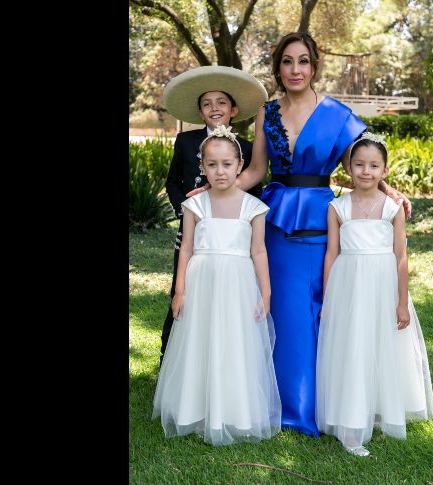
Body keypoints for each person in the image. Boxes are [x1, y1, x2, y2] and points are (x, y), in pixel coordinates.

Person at [187, 32, 411, 437]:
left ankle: (322, 403)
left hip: (323, 221)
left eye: (303, 61)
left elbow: (360, 167)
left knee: (322, 309)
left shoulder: (338, 115)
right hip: (275, 220)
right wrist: (213, 188)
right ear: (278, 68)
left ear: (314, 66)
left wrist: (391, 191)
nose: (295, 70)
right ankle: (278, 402)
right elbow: (255, 172)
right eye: (287, 62)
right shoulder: (266, 113)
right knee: (280, 310)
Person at [152, 125, 281, 446]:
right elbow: (186, 248)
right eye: (212, 164)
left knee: (235, 341)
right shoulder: (195, 205)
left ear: (240, 165)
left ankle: (235, 410)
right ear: (202, 167)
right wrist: (180, 289)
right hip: (202, 282)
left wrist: (265, 291)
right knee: (201, 340)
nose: (220, 171)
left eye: (227, 164)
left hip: (238, 283)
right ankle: (196, 408)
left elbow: (259, 251)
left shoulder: (254, 207)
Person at [316, 132, 433, 457]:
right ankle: (352, 424)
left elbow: (400, 255)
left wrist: (401, 301)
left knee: (383, 345)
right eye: (359, 164)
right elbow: (331, 253)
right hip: (349, 284)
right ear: (349, 168)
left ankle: (381, 409)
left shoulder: (392, 208)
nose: (365, 171)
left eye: (373, 165)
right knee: (354, 345)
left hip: (383, 283)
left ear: (384, 171)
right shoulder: (337, 207)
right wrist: (328, 298)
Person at [159, 66, 267, 365]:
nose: (214, 108)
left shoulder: (245, 149)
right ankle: (171, 357)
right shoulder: (186, 142)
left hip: (228, 235)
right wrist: (187, 211)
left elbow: (254, 191)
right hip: (194, 228)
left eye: (221, 102)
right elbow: (173, 182)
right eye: (207, 104)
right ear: (200, 111)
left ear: (233, 109)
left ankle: (229, 359)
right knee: (182, 289)